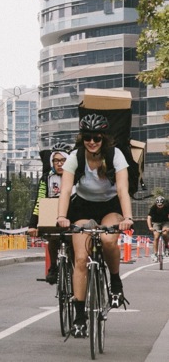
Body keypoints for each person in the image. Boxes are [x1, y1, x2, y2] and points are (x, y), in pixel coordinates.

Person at [56, 113, 134, 339]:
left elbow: (122, 190)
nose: (92, 142)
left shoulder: (115, 155)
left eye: (96, 138)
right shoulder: (75, 157)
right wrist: (62, 216)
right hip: (82, 208)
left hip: (110, 207)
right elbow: (65, 190)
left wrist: (127, 217)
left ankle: (116, 283)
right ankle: (80, 318)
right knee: (80, 258)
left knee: (109, 240)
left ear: (104, 138)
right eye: (88, 137)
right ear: (82, 138)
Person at [27, 142, 73, 284]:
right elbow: (40, 200)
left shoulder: (76, 176)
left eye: (63, 160)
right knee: (52, 239)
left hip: (73, 215)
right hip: (53, 215)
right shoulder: (47, 178)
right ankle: (53, 266)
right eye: (56, 160)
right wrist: (33, 225)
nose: (59, 164)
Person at [147, 196, 169, 262]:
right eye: (158, 205)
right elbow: (149, 218)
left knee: (165, 233)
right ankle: (155, 253)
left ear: (164, 204)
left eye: (161, 205)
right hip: (156, 223)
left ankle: (166, 247)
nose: (159, 206)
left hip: (165, 222)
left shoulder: (167, 207)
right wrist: (150, 227)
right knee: (156, 236)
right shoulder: (153, 208)